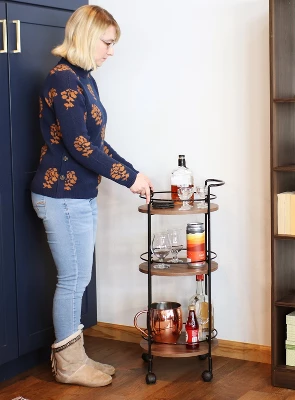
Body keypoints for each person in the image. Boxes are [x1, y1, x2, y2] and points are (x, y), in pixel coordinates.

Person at [31, 5, 153, 387]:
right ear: (87, 37)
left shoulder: (83, 79)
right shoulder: (64, 80)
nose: (111, 52)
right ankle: (69, 366)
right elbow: (80, 146)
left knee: (78, 278)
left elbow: (96, 142)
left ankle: (77, 358)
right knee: (73, 280)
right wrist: (128, 179)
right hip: (61, 196)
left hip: (78, 195)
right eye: (107, 43)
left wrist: (134, 173)